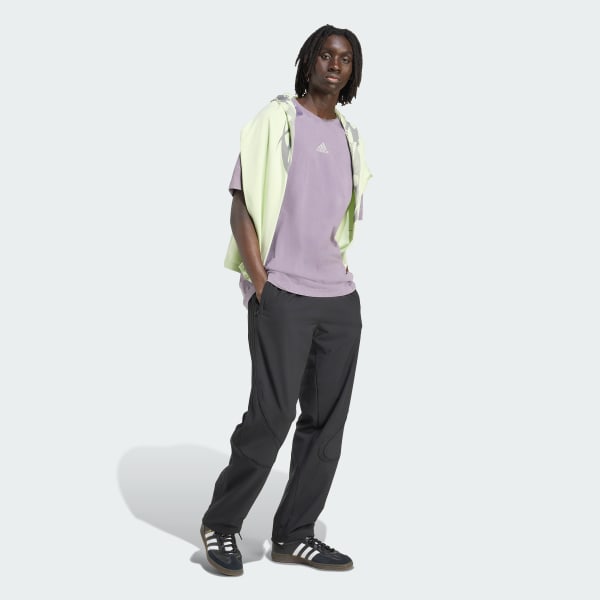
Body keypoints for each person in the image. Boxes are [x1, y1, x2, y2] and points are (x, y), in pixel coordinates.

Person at [201, 24, 372, 576]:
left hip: (338, 300)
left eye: (345, 58)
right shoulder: (276, 120)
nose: (334, 64)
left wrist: (341, 281)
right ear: (308, 61)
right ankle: (221, 522)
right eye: (325, 54)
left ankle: (294, 534)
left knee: (326, 425)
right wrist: (261, 281)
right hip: (283, 294)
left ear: (353, 71)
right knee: (271, 417)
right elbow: (241, 206)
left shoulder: (350, 136)